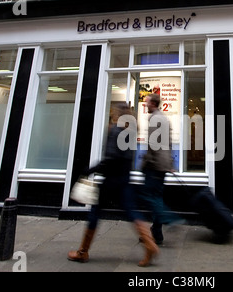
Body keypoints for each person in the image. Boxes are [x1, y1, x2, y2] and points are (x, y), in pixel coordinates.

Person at [67, 103, 159, 267]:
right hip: (124, 180)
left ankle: (83, 251)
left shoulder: (116, 131)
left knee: (95, 212)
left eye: (114, 112)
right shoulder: (131, 133)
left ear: (117, 114)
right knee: (132, 212)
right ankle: (150, 245)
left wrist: (91, 170)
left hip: (110, 181)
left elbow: (110, 158)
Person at [139, 93, 183, 245]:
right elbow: (169, 143)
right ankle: (156, 232)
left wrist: (146, 162)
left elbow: (153, 145)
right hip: (163, 165)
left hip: (155, 165)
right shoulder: (164, 118)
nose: (145, 104)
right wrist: (170, 164)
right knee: (156, 196)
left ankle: (169, 218)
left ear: (153, 104)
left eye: (146, 102)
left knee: (149, 196)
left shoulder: (154, 119)